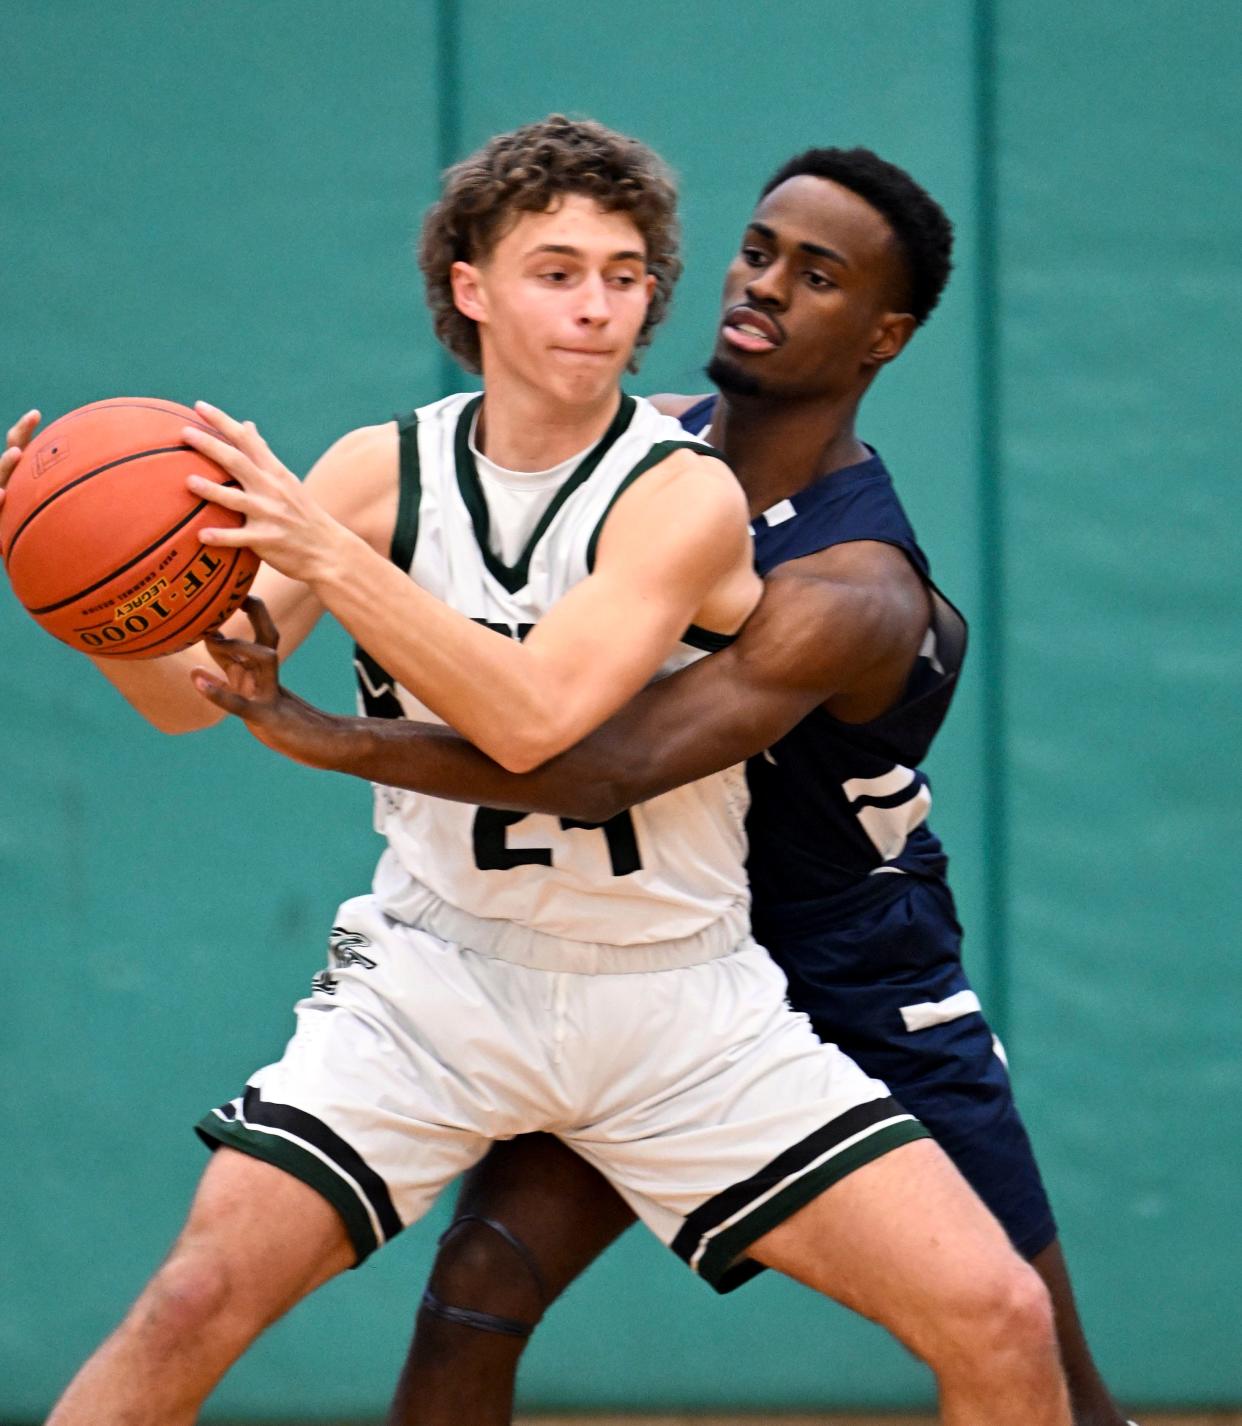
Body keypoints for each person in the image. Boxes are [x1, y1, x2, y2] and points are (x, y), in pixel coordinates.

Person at [2, 119, 1069, 1426]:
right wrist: (75, 593)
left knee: (1002, 1319)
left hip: (679, 1000)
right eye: (556, 270)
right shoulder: (376, 471)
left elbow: (536, 725)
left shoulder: (681, 495)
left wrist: (335, 588)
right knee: (191, 1303)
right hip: (433, 980)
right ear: (469, 285)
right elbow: (187, 696)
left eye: (624, 275)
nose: (597, 305)